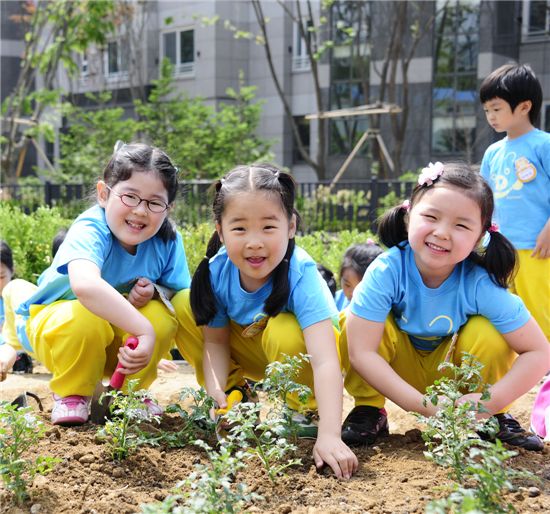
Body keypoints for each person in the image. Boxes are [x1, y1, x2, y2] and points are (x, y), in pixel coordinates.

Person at [341, 162, 550, 451]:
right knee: (352, 318)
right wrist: (425, 406)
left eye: (461, 225)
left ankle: (493, 418)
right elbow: (361, 352)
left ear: (480, 237)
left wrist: (488, 402)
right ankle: (369, 409)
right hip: (396, 369)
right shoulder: (387, 271)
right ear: (408, 216)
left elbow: (539, 351)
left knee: (489, 331)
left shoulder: (479, 283)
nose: (442, 232)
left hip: (454, 374)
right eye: (431, 216)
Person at [173, 164, 358, 479]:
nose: (254, 242)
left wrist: (330, 433)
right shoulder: (217, 271)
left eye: (268, 227)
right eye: (240, 228)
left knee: (286, 329)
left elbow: (326, 361)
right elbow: (215, 341)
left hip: (298, 359)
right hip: (247, 351)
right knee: (183, 306)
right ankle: (237, 402)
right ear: (220, 230)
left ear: (291, 227)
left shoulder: (302, 274)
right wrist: (219, 391)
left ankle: (305, 410)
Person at [12, 141, 190, 426]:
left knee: (162, 315)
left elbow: (179, 290)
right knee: (86, 317)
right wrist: (143, 330)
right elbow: (85, 286)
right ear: (103, 194)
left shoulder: (167, 240)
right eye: (130, 196)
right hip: (60, 330)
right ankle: (73, 393)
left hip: (118, 346)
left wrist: (156, 291)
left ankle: (129, 394)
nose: (141, 211)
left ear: (168, 208)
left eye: (154, 202)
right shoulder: (91, 227)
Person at [479, 63, 550, 342]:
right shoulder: (493, 152)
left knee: (540, 309)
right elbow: (482, 199)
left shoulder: (543, 144)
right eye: (487, 110)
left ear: (523, 106)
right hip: (502, 249)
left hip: (537, 249)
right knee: (506, 313)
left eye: (496, 109)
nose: (491, 117)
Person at [334, 240, 383, 311]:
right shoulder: (334, 301)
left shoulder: (384, 308)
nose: (353, 293)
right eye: (347, 285)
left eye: (362, 288)